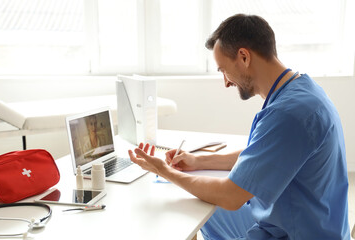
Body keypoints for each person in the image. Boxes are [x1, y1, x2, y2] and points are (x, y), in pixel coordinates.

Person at [128, 14, 350, 239]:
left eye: (223, 69)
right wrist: (198, 161)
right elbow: (261, 155)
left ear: (244, 56)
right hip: (302, 220)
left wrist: (164, 171)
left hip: (297, 233)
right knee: (200, 207)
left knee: (201, 205)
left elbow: (231, 196)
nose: (225, 82)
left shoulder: (288, 114)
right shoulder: (301, 89)